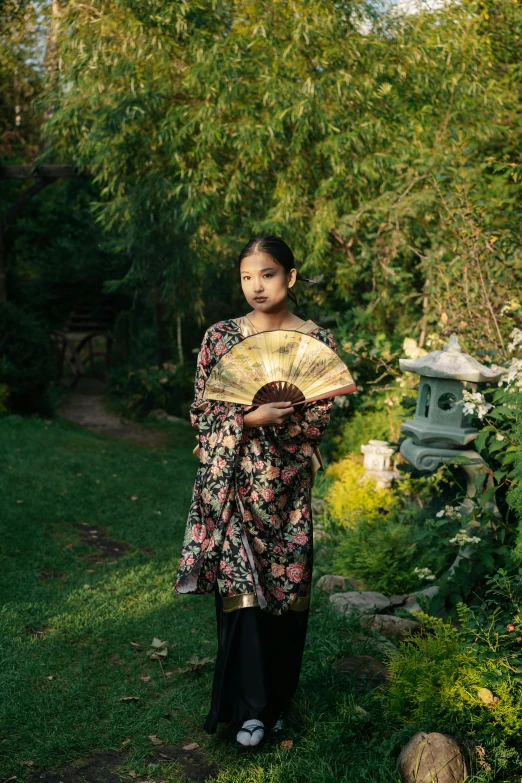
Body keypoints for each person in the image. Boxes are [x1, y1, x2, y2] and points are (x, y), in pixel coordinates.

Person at [174, 236, 338, 749]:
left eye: (267, 275)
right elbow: (203, 414)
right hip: (234, 489)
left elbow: (319, 417)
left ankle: (278, 704)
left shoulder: (317, 341)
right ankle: (248, 709)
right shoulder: (220, 338)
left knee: (287, 599)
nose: (255, 286)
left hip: (288, 494)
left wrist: (287, 426)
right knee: (241, 598)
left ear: (290, 277)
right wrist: (251, 418)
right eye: (246, 277)